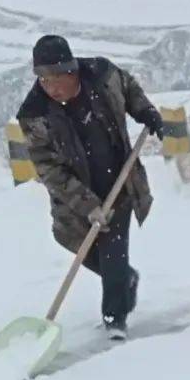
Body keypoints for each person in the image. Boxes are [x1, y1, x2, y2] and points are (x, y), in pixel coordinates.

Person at [16, 35, 164, 339]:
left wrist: (146, 112)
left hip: (119, 181)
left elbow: (129, 88)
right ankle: (122, 278)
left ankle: (114, 319)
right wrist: (88, 204)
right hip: (74, 195)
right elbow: (49, 168)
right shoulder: (35, 113)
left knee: (112, 248)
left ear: (72, 71)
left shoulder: (102, 75)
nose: (51, 87)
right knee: (67, 238)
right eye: (44, 80)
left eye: (56, 78)